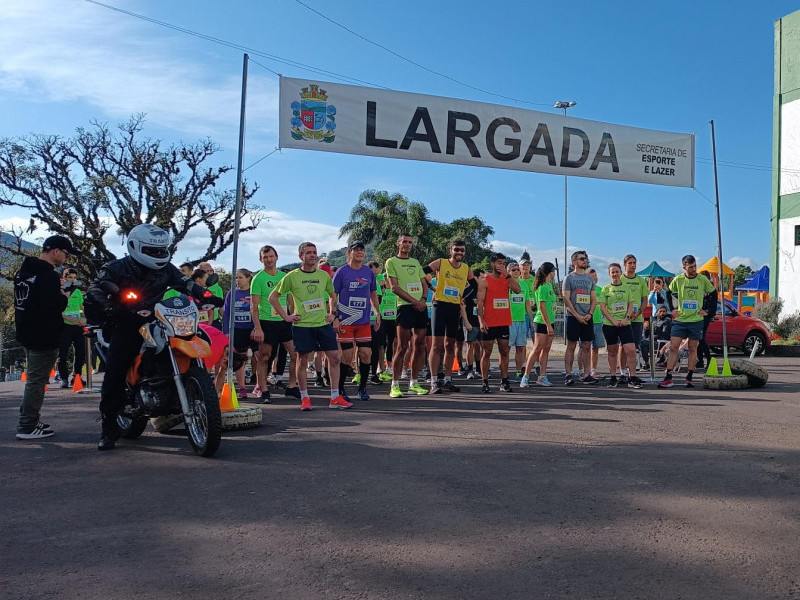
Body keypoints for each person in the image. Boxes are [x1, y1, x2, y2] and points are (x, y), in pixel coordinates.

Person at [85, 224, 220, 450]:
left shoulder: (166, 268)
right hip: (126, 321)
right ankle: (108, 427)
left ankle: (186, 389)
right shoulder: (116, 268)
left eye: (161, 250)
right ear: (135, 247)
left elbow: (185, 283)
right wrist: (110, 307)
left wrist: (204, 294)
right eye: (152, 251)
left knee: (198, 339)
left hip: (160, 319)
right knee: (116, 368)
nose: (159, 255)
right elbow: (95, 289)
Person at [269, 242, 350, 411]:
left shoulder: (324, 276)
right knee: (302, 360)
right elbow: (273, 297)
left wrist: (332, 313)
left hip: (323, 324)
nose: (313, 255)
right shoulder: (291, 276)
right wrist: (286, 317)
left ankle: (335, 396)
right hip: (302, 326)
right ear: (301, 256)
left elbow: (333, 296)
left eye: (314, 252)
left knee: (334, 357)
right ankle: (305, 398)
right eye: (308, 253)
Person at [14, 235, 76, 439]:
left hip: (26, 331)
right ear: (55, 251)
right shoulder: (48, 275)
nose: (66, 259)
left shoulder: (24, 271)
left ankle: (29, 420)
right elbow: (52, 306)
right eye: (66, 254)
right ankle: (26, 426)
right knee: (37, 381)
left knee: (33, 379)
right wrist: (64, 297)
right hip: (43, 334)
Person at [425, 239, 476, 394]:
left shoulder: (466, 268)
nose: (459, 253)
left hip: (454, 308)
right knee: (436, 345)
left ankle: (447, 379)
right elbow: (423, 272)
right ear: (450, 251)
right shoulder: (441, 263)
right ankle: (434, 381)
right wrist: (433, 288)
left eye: (462, 250)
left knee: (450, 345)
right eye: (456, 250)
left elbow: (474, 286)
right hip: (439, 306)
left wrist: (463, 297)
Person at [333, 241, 380, 402]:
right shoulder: (341, 272)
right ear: (349, 253)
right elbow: (333, 296)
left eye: (362, 250)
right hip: (346, 320)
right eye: (356, 250)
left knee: (366, 354)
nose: (360, 252)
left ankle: (362, 388)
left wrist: (377, 313)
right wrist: (334, 317)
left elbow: (373, 294)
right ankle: (340, 389)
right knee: (347, 356)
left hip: (363, 321)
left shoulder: (368, 272)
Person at [658, 255, 715, 389]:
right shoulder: (679, 279)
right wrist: (672, 309)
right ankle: (668, 376)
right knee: (673, 347)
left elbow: (713, 294)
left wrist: (708, 311)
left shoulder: (702, 279)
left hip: (696, 320)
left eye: (695, 266)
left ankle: (689, 377)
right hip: (681, 319)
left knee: (692, 348)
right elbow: (668, 292)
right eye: (690, 267)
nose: (694, 269)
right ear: (684, 267)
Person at [250, 245, 298, 404]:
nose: (269, 259)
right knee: (264, 357)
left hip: (284, 322)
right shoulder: (258, 278)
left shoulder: (284, 276)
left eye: (271, 256)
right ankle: (263, 390)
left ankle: (292, 386)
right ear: (260, 259)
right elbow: (254, 306)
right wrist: (258, 328)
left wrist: (293, 315)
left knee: (296, 354)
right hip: (266, 322)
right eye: (265, 257)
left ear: (277, 257)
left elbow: (291, 299)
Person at [386, 233, 430, 399]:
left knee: (420, 344)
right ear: (398, 244)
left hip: (420, 307)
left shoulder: (415, 262)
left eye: (410, 242)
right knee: (402, 346)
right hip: (405, 307)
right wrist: (414, 302)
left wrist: (424, 299)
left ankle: (414, 382)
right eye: (404, 241)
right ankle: (395, 385)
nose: (407, 244)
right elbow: (394, 288)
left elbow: (424, 284)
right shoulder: (391, 261)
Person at [477, 252, 520, 393]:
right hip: (489, 322)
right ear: (492, 264)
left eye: (503, 263)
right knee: (487, 353)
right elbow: (480, 303)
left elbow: (517, 290)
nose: (501, 265)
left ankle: (504, 381)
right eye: (498, 263)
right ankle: (485, 382)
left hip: (503, 322)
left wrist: (507, 276)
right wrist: (481, 320)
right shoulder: (485, 280)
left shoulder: (506, 279)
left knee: (504, 352)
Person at [599, 263, 643, 389]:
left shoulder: (626, 288)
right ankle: (613, 378)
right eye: (612, 272)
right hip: (610, 325)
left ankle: (632, 377)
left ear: (620, 272)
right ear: (609, 274)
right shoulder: (606, 289)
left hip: (625, 324)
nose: (615, 274)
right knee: (612, 351)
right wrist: (612, 320)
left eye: (617, 271)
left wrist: (626, 318)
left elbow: (630, 305)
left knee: (631, 350)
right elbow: (602, 307)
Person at [221, 268, 260, 399]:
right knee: (239, 359)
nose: (237, 280)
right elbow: (226, 314)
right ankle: (242, 388)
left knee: (260, 356)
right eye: (236, 278)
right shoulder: (232, 294)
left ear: (248, 278)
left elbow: (259, 310)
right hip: (237, 330)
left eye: (240, 277)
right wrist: (226, 331)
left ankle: (259, 385)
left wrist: (258, 327)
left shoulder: (253, 292)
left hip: (253, 329)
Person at [561, 250, 598, 385]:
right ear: (574, 262)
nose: (585, 261)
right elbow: (566, 299)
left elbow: (594, 299)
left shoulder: (589, 279)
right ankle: (569, 374)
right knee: (571, 345)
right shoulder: (569, 278)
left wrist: (590, 314)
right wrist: (576, 315)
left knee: (587, 345)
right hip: (573, 317)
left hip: (587, 317)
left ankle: (587, 373)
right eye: (582, 258)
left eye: (586, 258)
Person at [520, 262, 557, 387]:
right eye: (553, 270)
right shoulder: (542, 287)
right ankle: (525, 376)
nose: (554, 273)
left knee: (546, 350)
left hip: (550, 322)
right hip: (542, 322)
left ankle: (542, 376)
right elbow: (541, 307)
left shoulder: (550, 285)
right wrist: (548, 325)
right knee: (537, 349)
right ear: (549, 272)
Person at [619, 254, 649, 377]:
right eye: (630, 263)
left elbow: (645, 300)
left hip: (637, 318)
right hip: (623, 318)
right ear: (624, 264)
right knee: (622, 345)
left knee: (634, 345)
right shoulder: (620, 279)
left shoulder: (641, 280)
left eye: (634, 263)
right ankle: (622, 371)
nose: (632, 265)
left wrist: (638, 312)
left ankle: (632, 373)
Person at [57, 267, 86, 389]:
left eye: (74, 278)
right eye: (70, 277)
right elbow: (56, 310)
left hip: (78, 326)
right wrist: (69, 318)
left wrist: (83, 318)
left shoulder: (78, 292)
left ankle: (77, 376)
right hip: (64, 326)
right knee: (62, 353)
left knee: (80, 352)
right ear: (64, 278)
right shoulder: (59, 291)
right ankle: (63, 378)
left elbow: (81, 307)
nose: (72, 280)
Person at [507, 261, 533, 380]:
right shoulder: (505, 284)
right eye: (513, 270)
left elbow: (527, 302)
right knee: (506, 348)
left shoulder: (524, 285)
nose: (516, 271)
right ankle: (505, 371)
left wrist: (531, 319)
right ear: (508, 272)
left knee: (521, 347)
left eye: (518, 269)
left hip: (522, 320)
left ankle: (518, 371)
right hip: (509, 321)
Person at [462, 268, 483, 379]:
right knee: (470, 346)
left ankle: (479, 369)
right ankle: (469, 370)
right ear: (475, 277)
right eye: (482, 277)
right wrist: (466, 322)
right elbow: (462, 307)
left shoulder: (484, 289)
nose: (484, 279)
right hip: (471, 322)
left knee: (482, 346)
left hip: (482, 322)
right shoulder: (467, 290)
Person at [695, 270, 719, 369]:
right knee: (697, 339)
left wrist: (708, 313)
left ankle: (709, 358)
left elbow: (713, 305)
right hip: (697, 316)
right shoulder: (699, 288)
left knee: (701, 338)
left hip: (705, 317)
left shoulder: (711, 290)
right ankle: (700, 361)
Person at [587, 268, 605, 378]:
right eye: (591, 277)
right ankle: (584, 370)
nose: (594, 278)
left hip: (598, 321)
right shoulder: (584, 290)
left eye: (595, 276)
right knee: (585, 347)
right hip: (587, 321)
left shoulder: (601, 290)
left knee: (595, 347)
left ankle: (593, 369)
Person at [197, 261, 224, 328]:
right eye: (207, 271)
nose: (210, 273)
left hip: (214, 322)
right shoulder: (193, 287)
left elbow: (221, 307)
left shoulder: (217, 287)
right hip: (197, 323)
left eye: (211, 270)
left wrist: (227, 321)